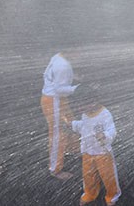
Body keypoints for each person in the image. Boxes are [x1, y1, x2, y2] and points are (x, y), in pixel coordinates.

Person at [71, 85, 121, 206]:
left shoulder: (105, 114)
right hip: (88, 151)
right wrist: (73, 125)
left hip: (103, 152)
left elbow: (112, 130)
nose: (79, 108)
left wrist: (105, 135)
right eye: (78, 105)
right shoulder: (85, 113)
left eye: (82, 105)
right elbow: (85, 126)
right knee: (88, 176)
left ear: (94, 101)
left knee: (108, 177)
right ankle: (90, 193)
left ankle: (112, 196)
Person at [40, 50, 79, 180]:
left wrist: (73, 77)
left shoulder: (58, 56)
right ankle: (55, 169)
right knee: (58, 134)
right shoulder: (63, 65)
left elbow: (54, 77)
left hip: (54, 99)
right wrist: (77, 88)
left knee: (71, 123)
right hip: (54, 101)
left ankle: (74, 150)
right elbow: (59, 89)